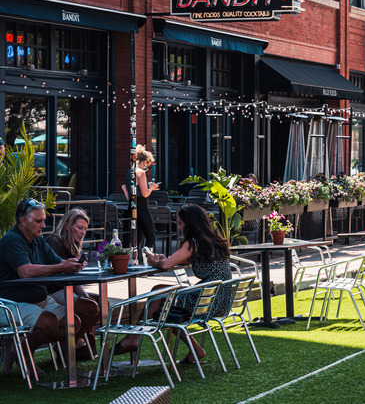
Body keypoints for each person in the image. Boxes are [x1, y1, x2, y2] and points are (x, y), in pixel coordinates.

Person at [115, 204, 232, 364]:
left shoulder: (193, 242)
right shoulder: (213, 239)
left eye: (180, 223)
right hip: (219, 299)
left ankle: (133, 337)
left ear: (189, 223)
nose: (178, 227)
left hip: (205, 300)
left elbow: (165, 266)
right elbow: (177, 260)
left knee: (160, 297)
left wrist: (153, 261)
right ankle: (194, 350)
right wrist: (165, 259)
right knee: (162, 296)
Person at [0, 198, 86, 375]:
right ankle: (24, 353)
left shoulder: (37, 240)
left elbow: (58, 262)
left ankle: (18, 349)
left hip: (39, 300)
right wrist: (62, 267)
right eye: (39, 221)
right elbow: (26, 271)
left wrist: (72, 263)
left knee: (73, 322)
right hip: (10, 303)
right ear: (24, 221)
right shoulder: (12, 240)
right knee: (49, 322)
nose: (43, 225)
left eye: (43, 220)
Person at [45, 208, 100, 357]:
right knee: (90, 307)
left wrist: (84, 294)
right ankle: (66, 343)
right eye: (79, 227)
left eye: (85, 229)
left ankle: (71, 341)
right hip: (51, 292)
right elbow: (49, 271)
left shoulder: (73, 247)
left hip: (66, 289)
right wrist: (70, 269)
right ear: (67, 225)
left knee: (101, 302)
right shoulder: (54, 241)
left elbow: (73, 279)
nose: (83, 232)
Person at [126, 144, 159, 251]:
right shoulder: (140, 172)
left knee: (137, 238)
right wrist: (152, 188)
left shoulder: (129, 172)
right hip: (142, 207)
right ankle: (146, 259)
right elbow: (145, 194)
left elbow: (127, 190)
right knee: (150, 237)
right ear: (145, 161)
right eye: (148, 165)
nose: (147, 168)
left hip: (131, 206)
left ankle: (134, 259)